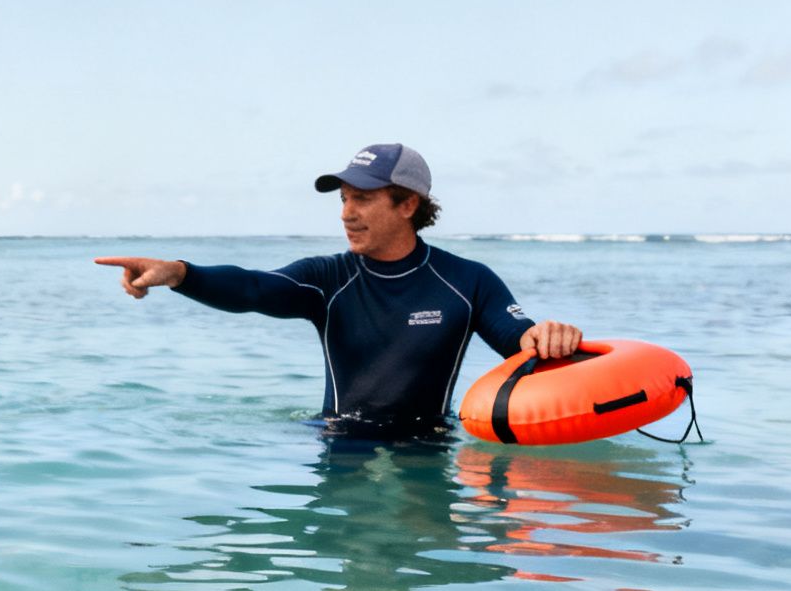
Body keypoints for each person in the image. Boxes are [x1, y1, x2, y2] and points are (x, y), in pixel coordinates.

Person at [100, 143, 583, 435]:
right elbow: (253, 288)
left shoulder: (466, 281)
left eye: (363, 199)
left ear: (407, 204)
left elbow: (518, 341)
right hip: (338, 446)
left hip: (427, 452)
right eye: (344, 198)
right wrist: (181, 273)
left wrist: (548, 335)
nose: (346, 213)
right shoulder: (326, 280)